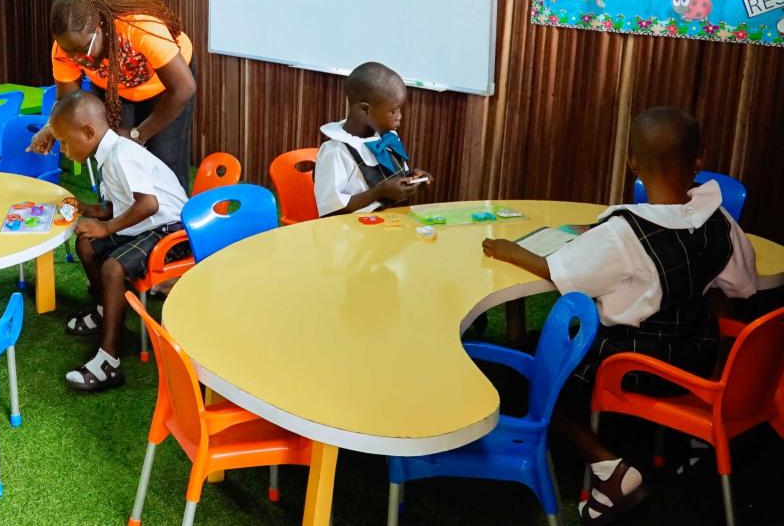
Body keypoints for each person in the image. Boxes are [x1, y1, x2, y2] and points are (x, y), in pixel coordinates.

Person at [483, 107, 756, 523]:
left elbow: (561, 271)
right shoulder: (722, 222)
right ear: (698, 160)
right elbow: (742, 285)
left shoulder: (623, 233)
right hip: (697, 357)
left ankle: (608, 465)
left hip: (636, 363)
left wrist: (511, 250)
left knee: (536, 368)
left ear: (633, 163)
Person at [47, 91, 187, 392]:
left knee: (113, 268)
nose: (64, 151)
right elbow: (120, 205)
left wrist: (107, 227)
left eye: (66, 143)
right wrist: (90, 210)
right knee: (86, 244)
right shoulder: (107, 154)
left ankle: (109, 362)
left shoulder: (122, 154)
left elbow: (148, 204)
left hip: (171, 232)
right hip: (148, 224)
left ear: (88, 132)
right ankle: (104, 311)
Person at [29, 0, 196, 190]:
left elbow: (183, 89)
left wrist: (137, 134)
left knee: (165, 156)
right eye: (69, 52)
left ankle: (172, 210)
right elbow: (68, 102)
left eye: (83, 49)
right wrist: (51, 127)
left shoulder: (139, 27)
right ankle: (114, 208)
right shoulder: (66, 49)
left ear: (100, 27)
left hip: (167, 88)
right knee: (111, 153)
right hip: (113, 91)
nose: (77, 59)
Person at [313, 61, 431, 217]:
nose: (400, 117)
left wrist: (413, 179)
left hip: (394, 223)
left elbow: (393, 180)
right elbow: (331, 209)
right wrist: (379, 192)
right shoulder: (336, 152)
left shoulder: (387, 138)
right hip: (353, 229)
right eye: (393, 111)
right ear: (365, 109)